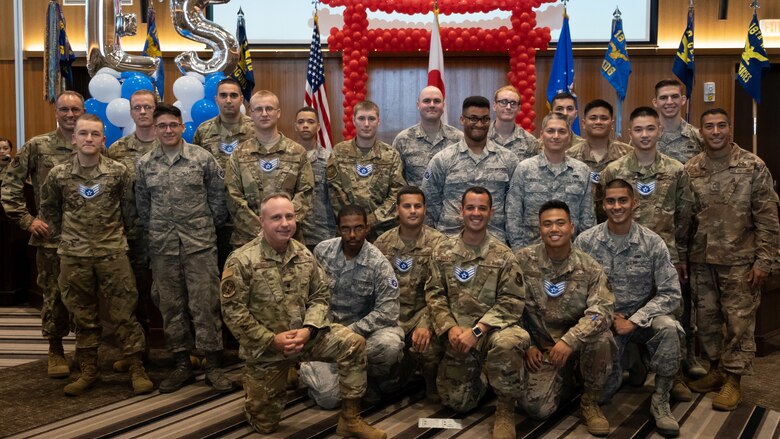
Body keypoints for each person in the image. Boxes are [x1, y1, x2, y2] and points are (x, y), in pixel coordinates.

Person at [219, 193, 386, 438]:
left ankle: (350, 419)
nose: (284, 223)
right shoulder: (242, 260)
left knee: (352, 344)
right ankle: (261, 389)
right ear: (262, 222)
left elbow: (320, 295)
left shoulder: (305, 255)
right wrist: (271, 340)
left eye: (289, 216)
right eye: (276, 217)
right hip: (266, 348)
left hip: (306, 337)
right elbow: (233, 312)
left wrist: (309, 329)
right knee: (265, 424)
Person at [39, 114, 152, 396]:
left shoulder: (118, 172)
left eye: (95, 134)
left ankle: (137, 366)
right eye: (83, 134)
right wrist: (67, 242)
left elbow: (130, 212)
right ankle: (89, 369)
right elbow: (50, 212)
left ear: (104, 140)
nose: (89, 139)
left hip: (112, 253)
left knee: (124, 313)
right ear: (74, 138)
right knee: (83, 315)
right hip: (74, 255)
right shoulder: (59, 174)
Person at [135, 103, 234, 394]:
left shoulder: (202, 158)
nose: (167, 130)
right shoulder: (144, 164)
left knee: (205, 304)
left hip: (199, 245)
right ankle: (182, 364)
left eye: (172, 125)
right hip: (163, 247)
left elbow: (218, 201)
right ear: (155, 129)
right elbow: (143, 207)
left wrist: (202, 228)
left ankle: (214, 365)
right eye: (162, 125)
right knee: (171, 307)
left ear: (182, 127)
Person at [685, 109, 780, 411]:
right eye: (709, 126)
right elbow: (685, 218)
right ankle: (716, 370)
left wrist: (765, 261)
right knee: (707, 321)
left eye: (721, 125)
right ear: (701, 131)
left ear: (730, 128)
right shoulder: (691, 169)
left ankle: (734, 381)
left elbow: (767, 217)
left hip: (740, 260)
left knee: (738, 323)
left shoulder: (753, 166)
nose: (715, 131)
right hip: (701, 259)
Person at [600, 107, 697, 394]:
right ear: (630, 134)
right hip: (623, 256)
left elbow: (684, 216)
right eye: (638, 130)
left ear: (659, 131)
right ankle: (634, 360)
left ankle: (673, 375)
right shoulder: (614, 171)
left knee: (671, 313)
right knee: (624, 310)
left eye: (650, 129)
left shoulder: (676, 170)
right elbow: (602, 211)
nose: (644, 135)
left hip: (663, 255)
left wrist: (678, 256)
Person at [575, 179, 683, 437]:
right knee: (601, 395)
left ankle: (661, 399)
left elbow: (671, 293)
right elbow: (576, 291)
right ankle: (632, 361)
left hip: (641, 321)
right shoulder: (586, 241)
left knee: (669, 328)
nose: (616, 206)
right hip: (605, 323)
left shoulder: (651, 242)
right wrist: (605, 316)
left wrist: (635, 320)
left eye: (622, 200)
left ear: (634, 203)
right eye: (610, 201)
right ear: (603, 205)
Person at [425, 186, 527, 439]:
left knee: (509, 343)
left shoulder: (504, 255)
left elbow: (512, 301)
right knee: (457, 403)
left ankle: (504, 409)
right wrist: (449, 327)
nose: (476, 213)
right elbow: (434, 294)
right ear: (461, 211)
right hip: (457, 335)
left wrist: (478, 330)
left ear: (491, 212)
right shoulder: (442, 251)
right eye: (470, 207)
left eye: (482, 208)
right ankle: (485, 379)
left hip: (490, 332)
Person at [1, 91, 84, 378]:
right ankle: (55, 349)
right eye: (64, 109)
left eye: (75, 109)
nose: (70, 115)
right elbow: (9, 187)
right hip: (52, 238)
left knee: (85, 296)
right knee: (55, 295)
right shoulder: (37, 146)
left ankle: (86, 351)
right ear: (56, 112)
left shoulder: (93, 143)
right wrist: (26, 219)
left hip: (88, 238)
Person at [515, 200, 615, 437]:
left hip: (577, 347)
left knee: (603, 337)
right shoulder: (522, 261)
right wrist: (527, 344)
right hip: (542, 348)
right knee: (537, 409)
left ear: (572, 227)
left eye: (560, 223)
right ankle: (567, 380)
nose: (554, 229)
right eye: (547, 224)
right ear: (539, 230)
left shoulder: (589, 267)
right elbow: (509, 306)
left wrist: (571, 340)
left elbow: (602, 310)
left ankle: (590, 402)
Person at [300, 205, 404, 408]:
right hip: (327, 333)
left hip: (363, 333)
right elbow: (310, 293)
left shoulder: (379, 263)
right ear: (338, 230)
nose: (352, 234)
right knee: (328, 399)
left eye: (358, 228)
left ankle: (366, 380)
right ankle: (331, 375)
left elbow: (388, 311)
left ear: (367, 229)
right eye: (346, 229)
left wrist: (351, 332)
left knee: (390, 345)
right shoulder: (322, 251)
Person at [373, 186, 445, 401]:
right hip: (390, 317)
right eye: (407, 206)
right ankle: (396, 373)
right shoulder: (381, 243)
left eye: (418, 206)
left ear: (425, 209)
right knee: (386, 388)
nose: (413, 211)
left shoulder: (440, 244)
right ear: (397, 210)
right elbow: (374, 290)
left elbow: (445, 293)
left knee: (429, 349)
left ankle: (430, 380)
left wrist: (426, 323)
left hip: (422, 315)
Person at [421, 96, 518, 242]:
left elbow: (514, 205)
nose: (479, 124)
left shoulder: (508, 159)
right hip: (450, 243)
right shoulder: (443, 159)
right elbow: (429, 202)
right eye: (473, 118)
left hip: (495, 245)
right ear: (462, 120)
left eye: (484, 119)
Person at [225, 90, 313, 248]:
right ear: (251, 113)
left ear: (278, 113)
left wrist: (281, 226)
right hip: (248, 241)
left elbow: (305, 194)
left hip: (288, 239)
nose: (264, 114)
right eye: (258, 109)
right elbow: (233, 196)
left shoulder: (297, 152)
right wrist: (261, 229)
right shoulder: (238, 154)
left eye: (269, 109)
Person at [107, 89, 157, 366]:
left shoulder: (169, 143)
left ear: (154, 109)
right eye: (137, 107)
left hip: (163, 233)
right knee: (133, 294)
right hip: (131, 234)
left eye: (147, 107)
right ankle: (138, 350)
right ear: (131, 112)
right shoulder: (117, 150)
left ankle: (182, 352)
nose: (142, 112)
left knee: (168, 293)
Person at [506, 112, 595, 250]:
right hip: (530, 253)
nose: (556, 136)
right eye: (550, 131)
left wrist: (581, 253)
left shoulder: (582, 171)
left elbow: (587, 218)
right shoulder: (524, 169)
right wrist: (519, 252)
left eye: (562, 131)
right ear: (542, 135)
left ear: (569, 136)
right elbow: (513, 215)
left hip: (571, 254)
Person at [193, 78, 256, 269]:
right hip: (213, 217)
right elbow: (194, 171)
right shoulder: (204, 131)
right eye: (223, 95)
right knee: (216, 270)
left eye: (233, 95)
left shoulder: (256, 129)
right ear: (216, 99)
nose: (228, 100)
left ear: (241, 100)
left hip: (249, 215)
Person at [327, 100, 406, 240]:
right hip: (348, 231)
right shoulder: (339, 152)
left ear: (378, 121)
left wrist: (372, 219)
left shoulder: (390, 155)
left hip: (382, 231)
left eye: (371, 118)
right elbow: (334, 190)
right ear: (353, 120)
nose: (366, 124)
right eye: (361, 118)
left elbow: (397, 193)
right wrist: (353, 220)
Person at [566, 99, 632, 223]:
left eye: (603, 118)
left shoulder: (628, 154)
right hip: (580, 227)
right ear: (584, 123)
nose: (598, 122)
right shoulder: (569, 157)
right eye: (593, 118)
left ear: (612, 124)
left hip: (618, 225)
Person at [392, 86, 463, 186]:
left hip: (448, 201)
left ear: (443, 105)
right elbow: (396, 181)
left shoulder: (459, 138)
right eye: (427, 101)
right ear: (418, 105)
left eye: (437, 101)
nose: (432, 105)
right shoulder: (403, 140)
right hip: (416, 201)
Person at [293, 106, 337, 250]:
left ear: (318, 127)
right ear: (295, 126)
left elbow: (336, 198)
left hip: (321, 232)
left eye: (310, 122)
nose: (305, 125)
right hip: (291, 230)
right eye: (301, 122)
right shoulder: (286, 158)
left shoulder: (329, 159)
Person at [651, 78, 703, 164]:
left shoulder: (698, 137)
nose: (669, 102)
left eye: (674, 96)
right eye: (663, 98)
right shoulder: (645, 136)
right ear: (655, 102)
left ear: (683, 100)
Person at [488, 85, 539, 162]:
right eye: (503, 102)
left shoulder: (530, 141)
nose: (508, 107)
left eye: (513, 103)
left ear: (519, 108)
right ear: (494, 106)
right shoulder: (482, 137)